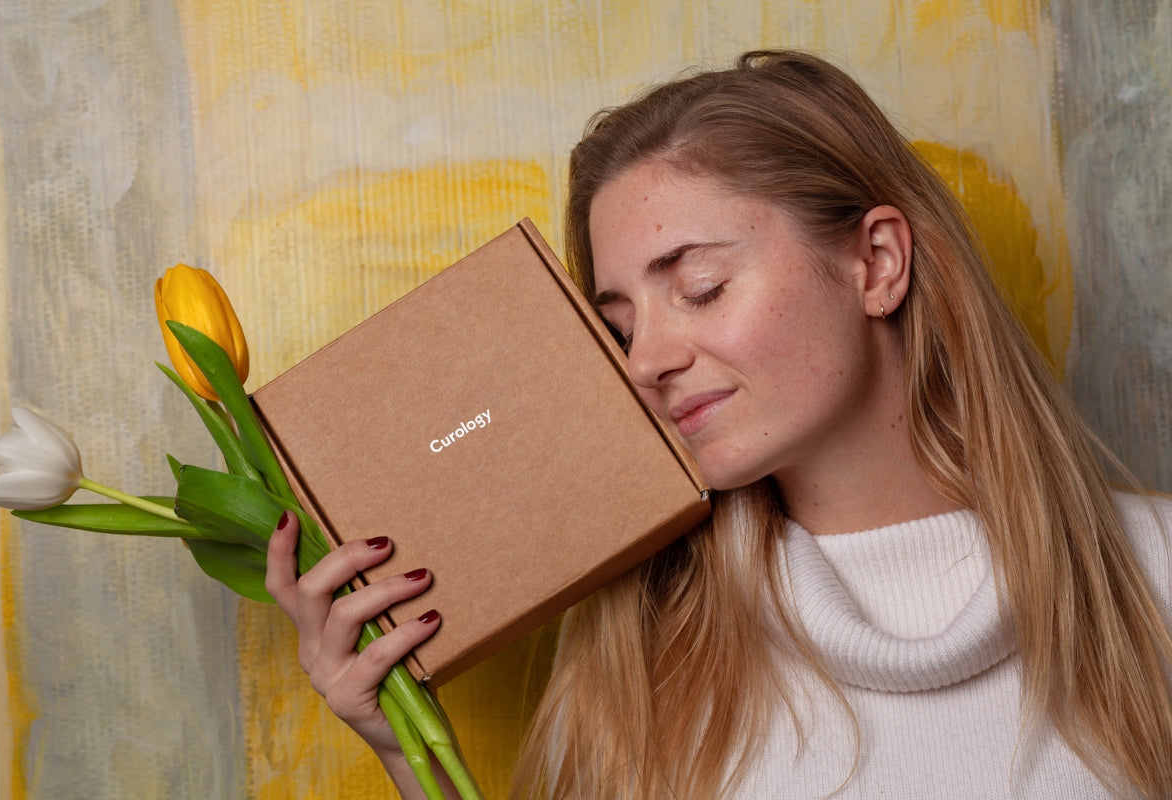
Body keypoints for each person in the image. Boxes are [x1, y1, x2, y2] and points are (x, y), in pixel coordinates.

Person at [265, 50, 1172, 799]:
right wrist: (406, 750)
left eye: (699, 288)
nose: (644, 360)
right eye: (618, 326)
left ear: (877, 262)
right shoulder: (641, 663)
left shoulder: (1155, 576)